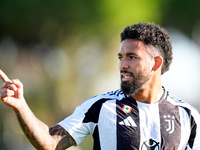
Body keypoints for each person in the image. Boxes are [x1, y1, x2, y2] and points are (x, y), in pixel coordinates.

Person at [0, 22, 200, 150]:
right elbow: (49, 142)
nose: (123, 65)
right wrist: (21, 106)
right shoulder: (101, 106)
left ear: (156, 63)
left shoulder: (188, 116)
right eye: (120, 57)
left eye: (132, 57)